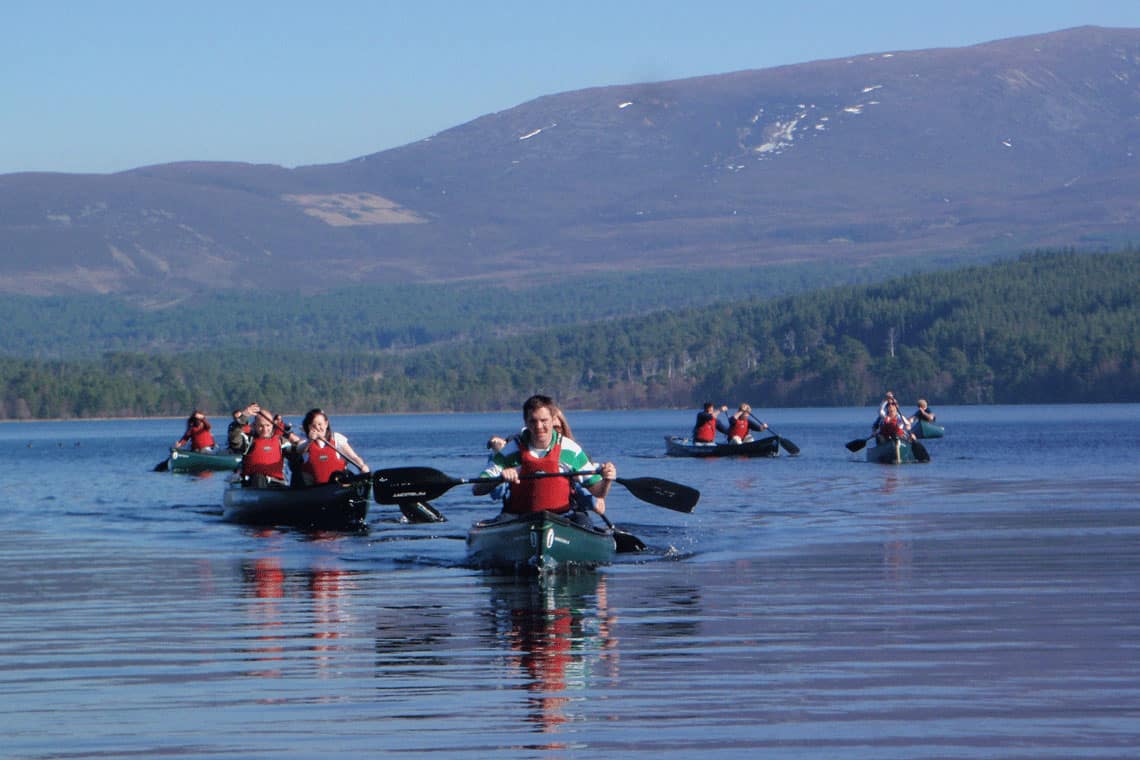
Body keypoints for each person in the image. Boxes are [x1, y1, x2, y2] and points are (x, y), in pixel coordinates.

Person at [475, 395, 616, 517]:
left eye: (544, 420)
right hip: (519, 517)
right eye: (533, 421)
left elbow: (598, 492)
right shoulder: (510, 451)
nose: (539, 426)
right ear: (525, 422)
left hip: (563, 517)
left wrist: (607, 480)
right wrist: (500, 479)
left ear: (553, 420)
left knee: (583, 521)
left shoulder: (571, 450)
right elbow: (477, 489)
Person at [296, 408, 369, 486]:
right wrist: (310, 440)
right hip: (314, 488)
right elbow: (299, 450)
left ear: (326, 424)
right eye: (314, 425)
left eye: (320, 424)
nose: (317, 428)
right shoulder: (305, 442)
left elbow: (353, 457)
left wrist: (362, 465)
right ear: (309, 427)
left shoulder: (337, 438)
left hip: (338, 484)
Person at [238, 408, 302, 486]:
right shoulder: (248, 440)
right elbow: (234, 437)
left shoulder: (281, 441)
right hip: (254, 483)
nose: (265, 429)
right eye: (261, 426)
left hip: (276, 483)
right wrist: (244, 416)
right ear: (254, 426)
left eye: (267, 425)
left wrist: (298, 444)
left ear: (272, 425)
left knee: (299, 463)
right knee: (259, 477)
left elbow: (296, 453)